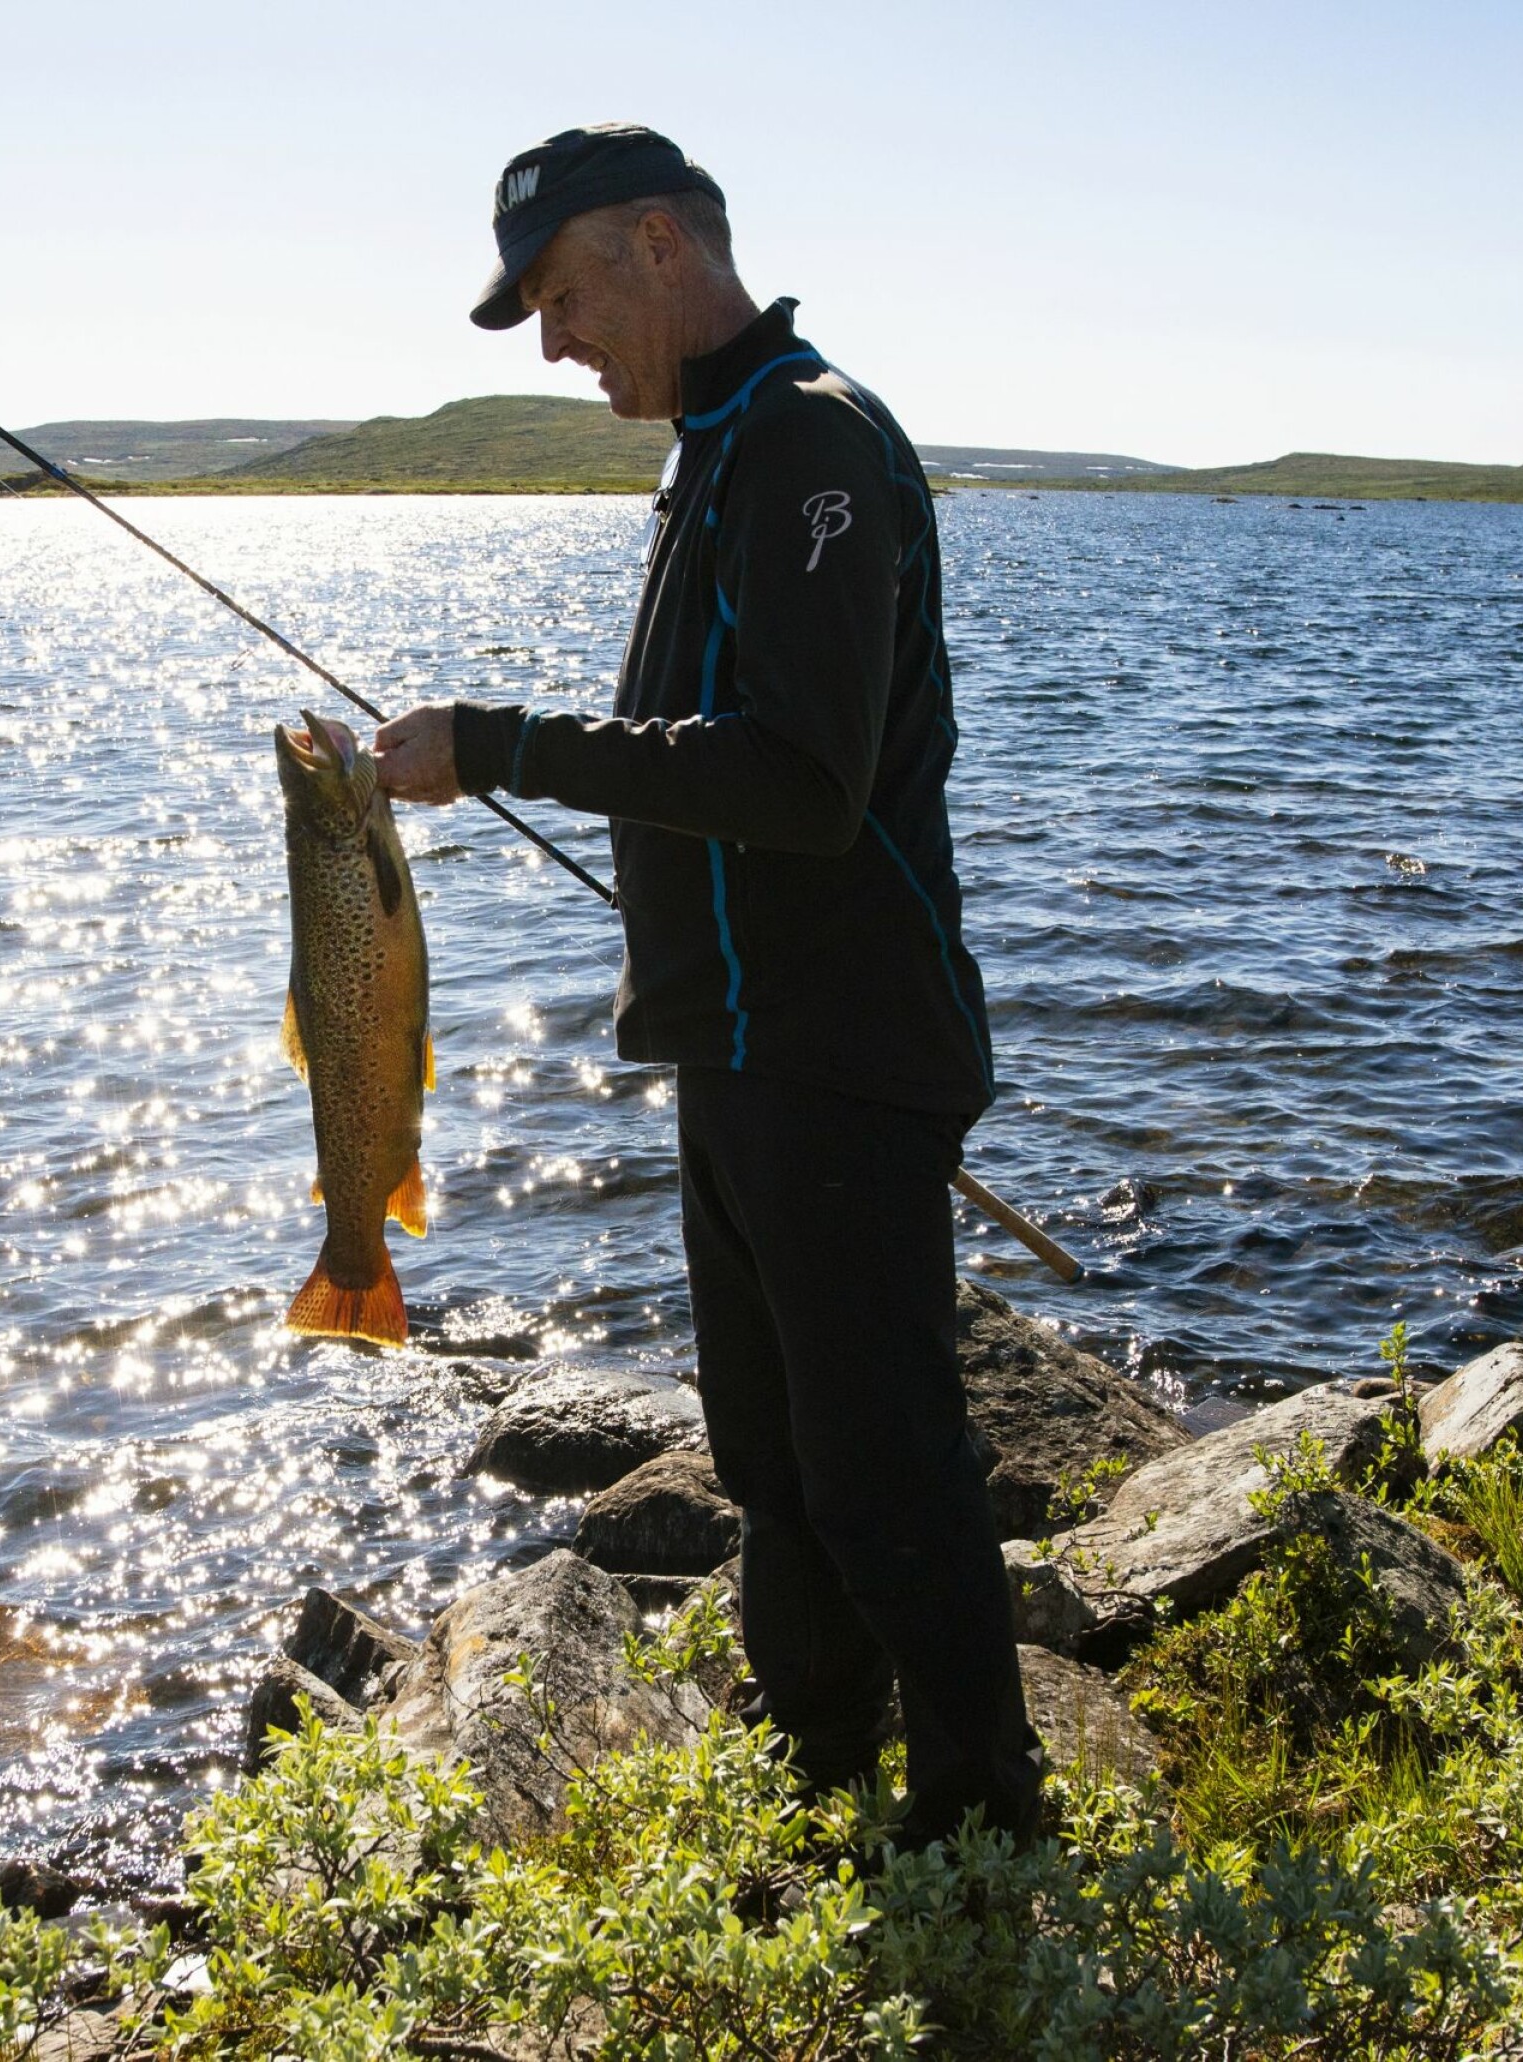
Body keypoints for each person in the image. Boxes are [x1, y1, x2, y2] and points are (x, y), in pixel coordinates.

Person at [372, 123, 1041, 1846]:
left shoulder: (811, 440)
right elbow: (721, 765)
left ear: (662, 243)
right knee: (769, 1455)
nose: (553, 342)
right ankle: (821, 1765)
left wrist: (503, 743)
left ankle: (985, 1820)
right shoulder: (720, 448)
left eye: (563, 294)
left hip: (842, 1053)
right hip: (743, 1054)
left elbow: (805, 780)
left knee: (884, 1465)